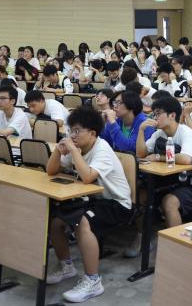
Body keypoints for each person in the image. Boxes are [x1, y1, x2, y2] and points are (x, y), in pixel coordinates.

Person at [45, 107, 132, 303]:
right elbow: (51, 171)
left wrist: (72, 150)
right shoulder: (79, 147)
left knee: (82, 222)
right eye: (71, 131)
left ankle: (93, 281)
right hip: (93, 199)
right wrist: (57, 151)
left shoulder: (102, 149)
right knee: (56, 221)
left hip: (117, 203)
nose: (72, 135)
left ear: (92, 133)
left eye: (77, 131)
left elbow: (87, 177)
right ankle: (67, 267)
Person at [136, 95, 192, 227]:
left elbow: (186, 159)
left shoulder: (186, 132)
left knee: (169, 202)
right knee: (141, 194)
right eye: (154, 114)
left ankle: (174, 239)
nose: (155, 117)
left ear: (172, 115)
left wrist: (158, 157)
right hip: (171, 180)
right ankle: (143, 235)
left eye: (158, 114)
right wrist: (141, 130)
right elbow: (141, 154)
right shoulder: (158, 133)